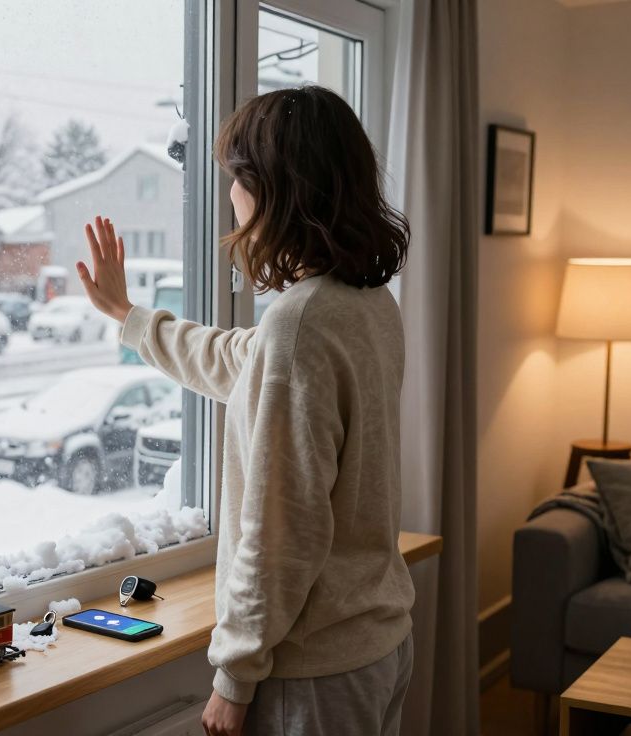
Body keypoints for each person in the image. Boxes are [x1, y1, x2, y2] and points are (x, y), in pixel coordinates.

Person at [75, 86, 415, 736]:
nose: (230, 194)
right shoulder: (364, 302)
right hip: (375, 644)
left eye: (236, 176)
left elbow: (281, 529)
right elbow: (237, 358)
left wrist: (233, 678)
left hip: (312, 673)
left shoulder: (303, 322)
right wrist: (128, 316)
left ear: (274, 186)